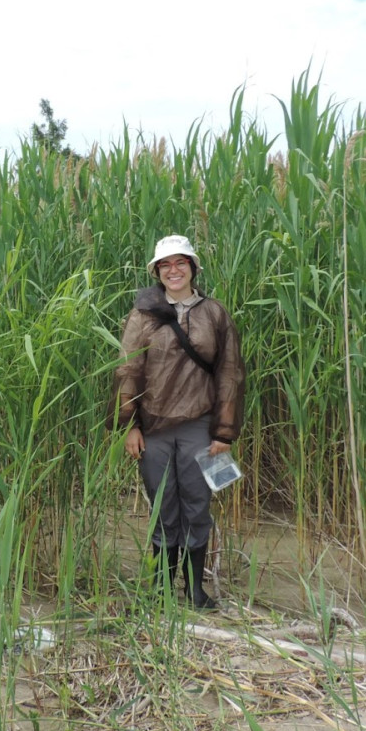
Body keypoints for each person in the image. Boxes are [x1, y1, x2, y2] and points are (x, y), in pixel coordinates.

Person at [108, 234, 245, 609]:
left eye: (180, 262)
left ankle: (196, 591)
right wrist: (129, 426)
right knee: (162, 506)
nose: (173, 270)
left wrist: (224, 432)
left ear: (193, 268)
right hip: (152, 429)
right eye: (165, 264)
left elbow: (229, 374)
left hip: (198, 426)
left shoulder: (215, 314)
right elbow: (127, 370)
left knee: (197, 505)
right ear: (156, 271)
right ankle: (164, 590)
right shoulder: (143, 316)